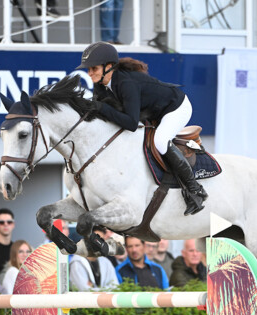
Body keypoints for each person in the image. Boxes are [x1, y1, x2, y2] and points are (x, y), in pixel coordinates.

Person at [75, 42, 208, 216]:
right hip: (152, 111)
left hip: (176, 108)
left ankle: (195, 190)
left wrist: (100, 108)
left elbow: (130, 123)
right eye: (88, 69)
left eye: (94, 68)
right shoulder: (101, 84)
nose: (90, 73)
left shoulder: (126, 83)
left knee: (160, 142)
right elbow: (104, 114)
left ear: (109, 67)